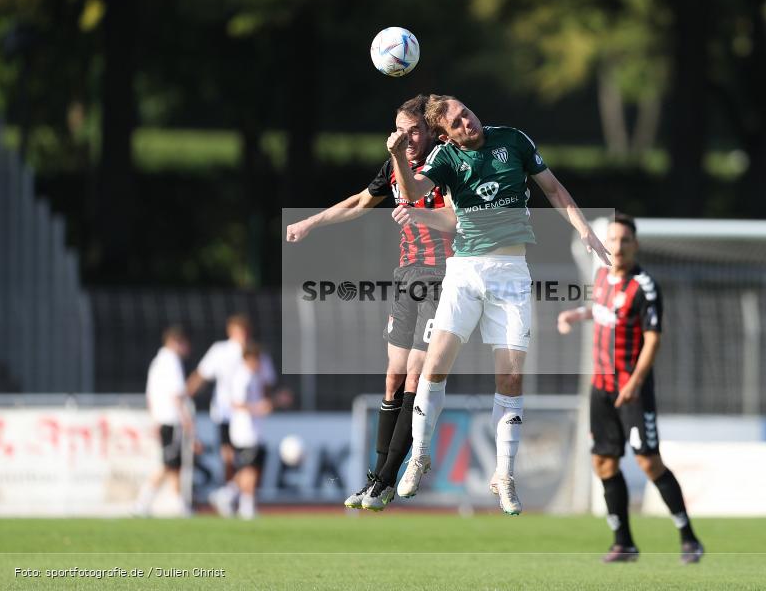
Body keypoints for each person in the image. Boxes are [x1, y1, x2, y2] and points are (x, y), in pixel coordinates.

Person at [387, 94, 610, 515]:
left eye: (466, 113)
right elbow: (414, 190)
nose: (467, 122)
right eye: (456, 122)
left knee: (510, 377)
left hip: (511, 273)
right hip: (465, 272)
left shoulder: (513, 140)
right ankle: (419, 456)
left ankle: (504, 475)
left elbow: (554, 189)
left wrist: (582, 229)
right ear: (446, 134)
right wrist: (400, 155)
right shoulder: (446, 159)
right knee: (434, 367)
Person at [286, 94, 457, 511]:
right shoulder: (395, 168)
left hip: (443, 278)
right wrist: (311, 221)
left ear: (431, 131)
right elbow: (362, 202)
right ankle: (374, 479)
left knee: (417, 376)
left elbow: (456, 218)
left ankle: (384, 481)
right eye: (400, 129)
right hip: (406, 278)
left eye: (414, 130)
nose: (406, 137)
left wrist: (420, 216)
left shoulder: (446, 164)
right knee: (393, 378)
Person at [557, 213, 704, 564]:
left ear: (635, 245)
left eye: (625, 241)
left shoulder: (646, 286)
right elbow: (601, 309)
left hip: (632, 390)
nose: (618, 247)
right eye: (613, 240)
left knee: (648, 461)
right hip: (602, 387)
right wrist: (575, 315)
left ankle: (688, 536)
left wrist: (634, 384)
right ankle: (623, 542)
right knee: (604, 463)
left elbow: (653, 340)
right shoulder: (603, 276)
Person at [187, 314, 276, 515]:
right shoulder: (221, 351)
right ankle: (231, 499)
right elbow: (202, 374)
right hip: (227, 415)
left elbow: (267, 383)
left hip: (249, 418)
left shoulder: (257, 354)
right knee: (230, 459)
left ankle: (236, 498)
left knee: (251, 462)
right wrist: (185, 395)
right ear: (230, 331)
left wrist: (266, 404)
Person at [134, 326, 194, 517]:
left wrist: (154, 419)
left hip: (162, 418)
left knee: (174, 464)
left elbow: (150, 395)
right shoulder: (171, 361)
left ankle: (179, 505)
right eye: (184, 343)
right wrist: (186, 419)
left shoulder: (157, 362)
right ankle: (142, 503)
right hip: (171, 419)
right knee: (168, 463)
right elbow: (177, 394)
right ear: (176, 341)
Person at [224, 342, 272, 520]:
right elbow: (236, 403)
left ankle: (228, 495)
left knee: (252, 469)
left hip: (255, 430)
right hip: (244, 431)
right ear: (247, 359)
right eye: (255, 359)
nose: (258, 363)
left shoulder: (254, 376)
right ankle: (246, 506)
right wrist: (258, 407)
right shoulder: (242, 377)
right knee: (249, 470)